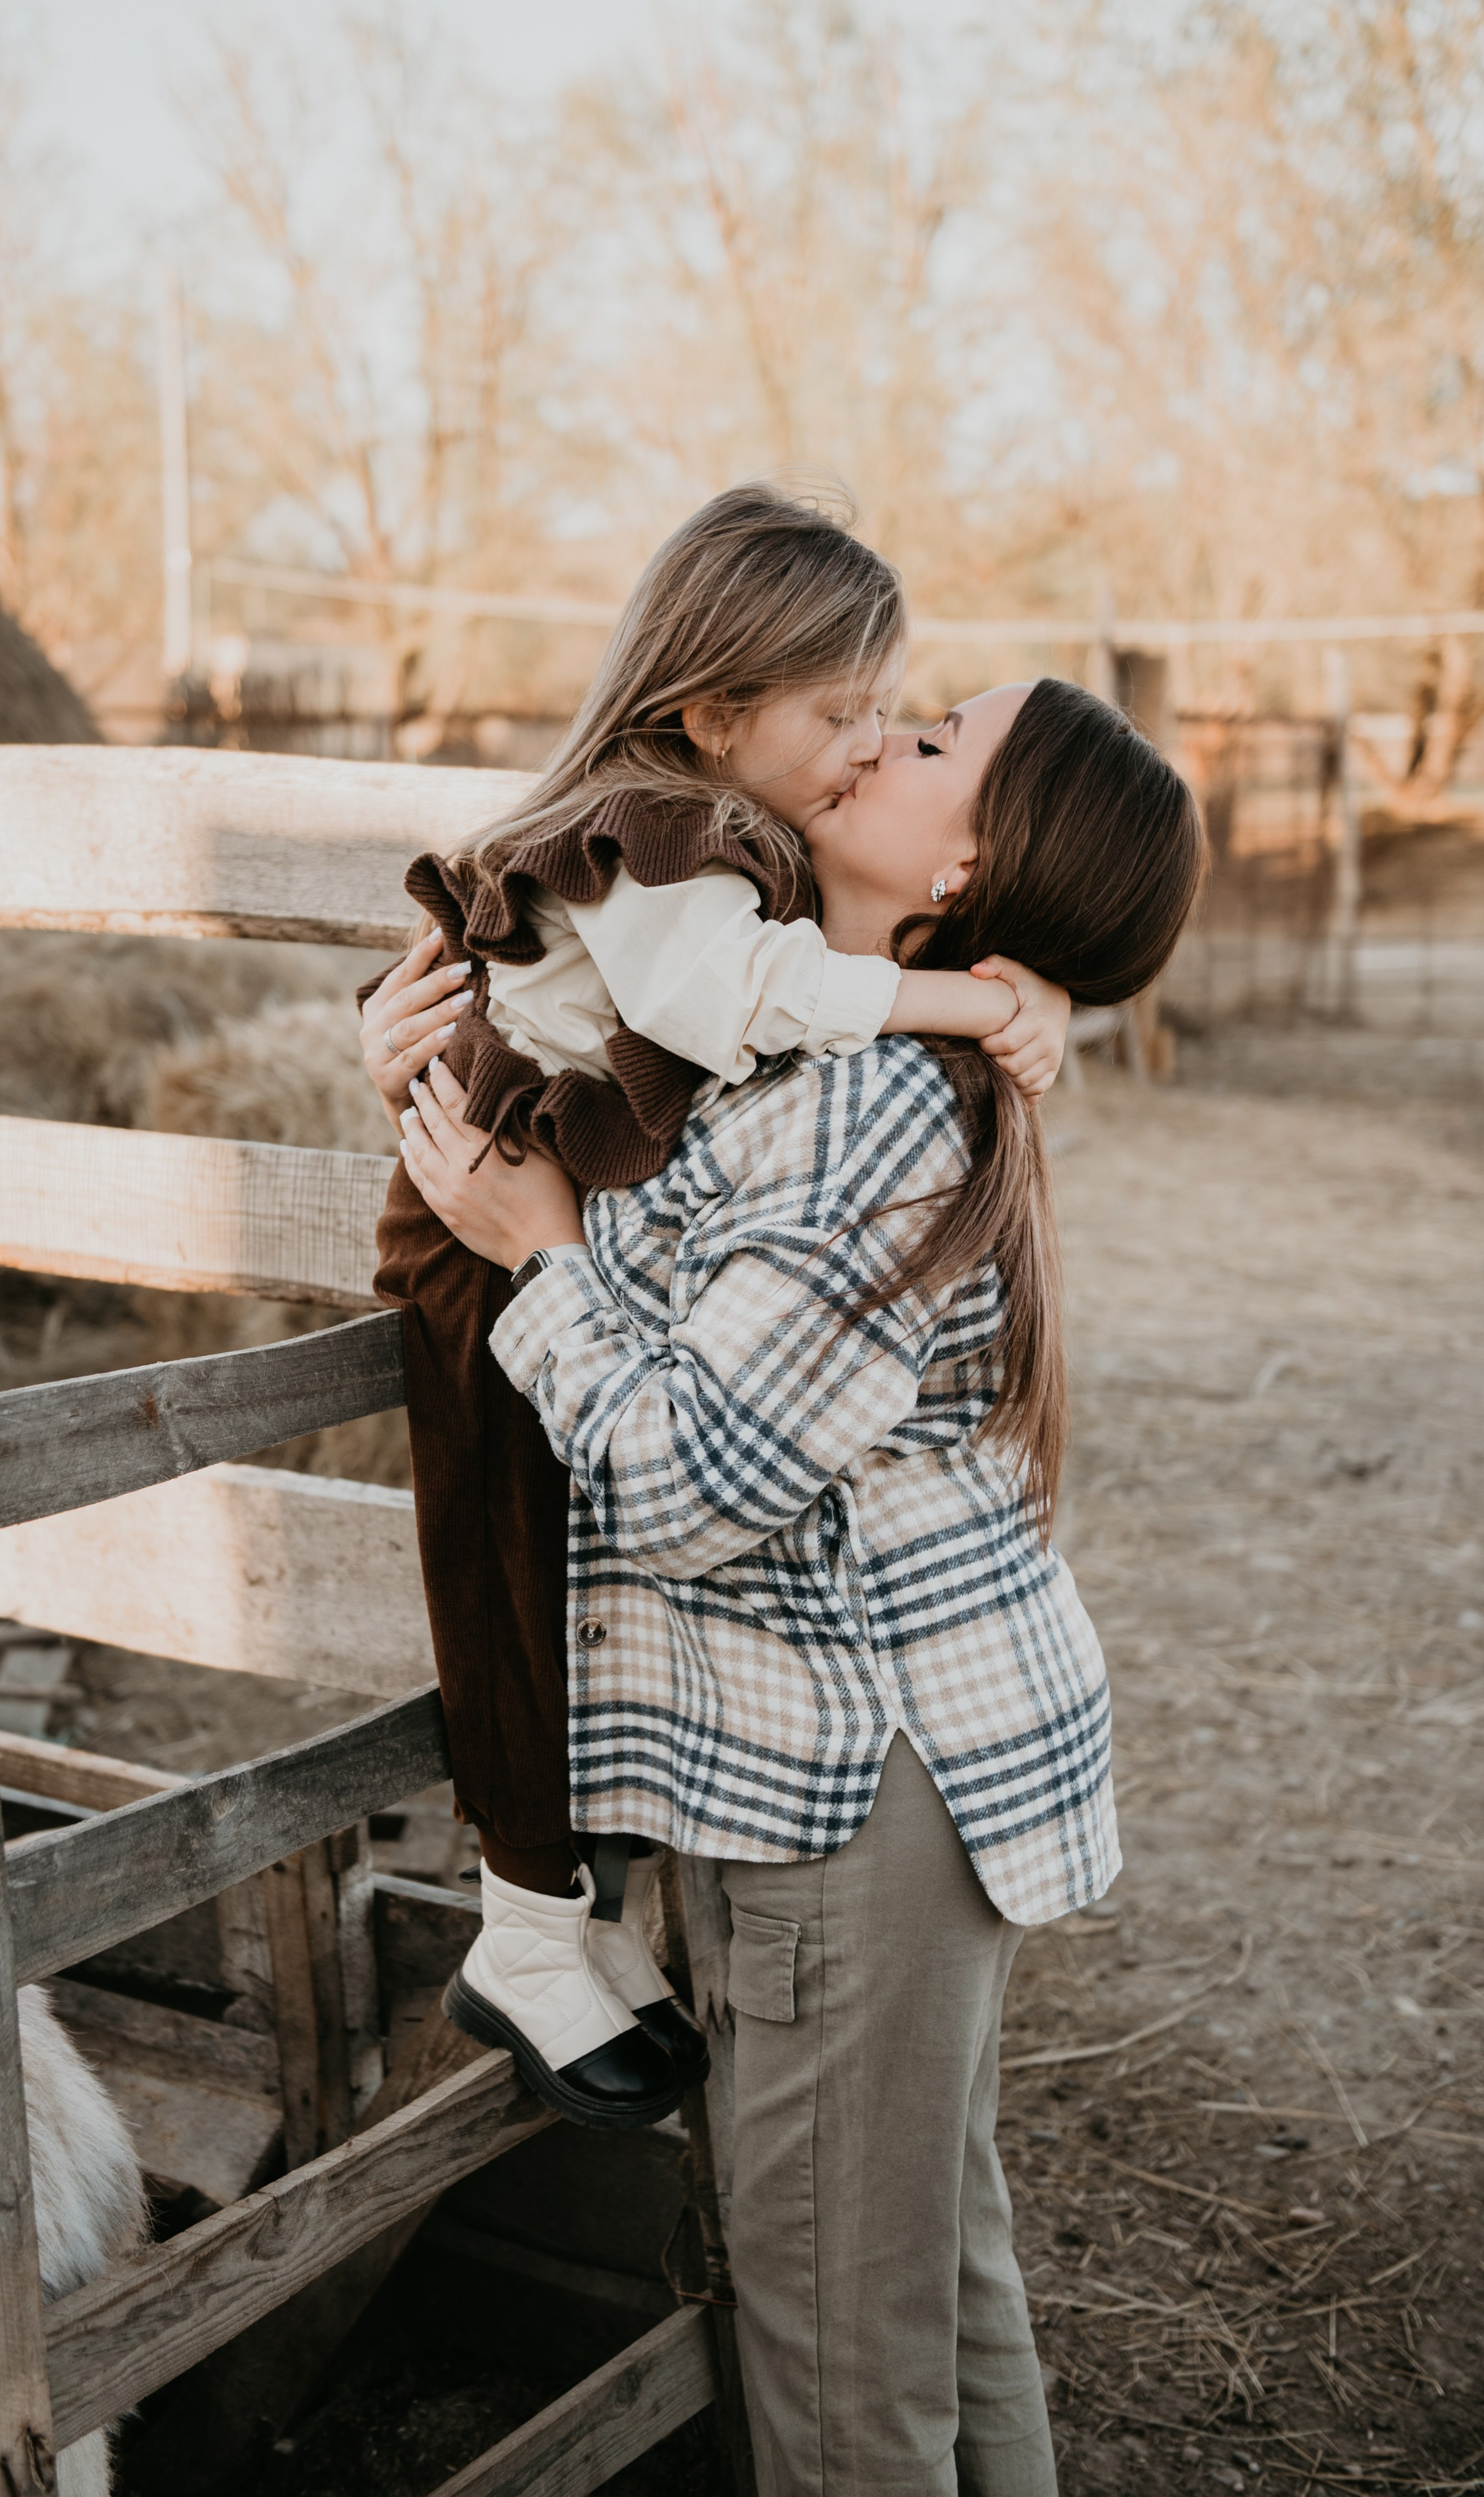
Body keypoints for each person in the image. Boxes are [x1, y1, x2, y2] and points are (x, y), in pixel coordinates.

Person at [395, 677, 1207, 2497]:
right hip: (883, 1774)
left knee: (841, 2374)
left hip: (855, 1800)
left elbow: (692, 1482)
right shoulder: (797, 1051)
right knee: (927, 2281)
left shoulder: (866, 1118)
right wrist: (431, 1062)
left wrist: (532, 1258)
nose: (882, 734)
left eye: (934, 744)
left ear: (969, 861)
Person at [357, 484, 1070, 2128]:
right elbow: (737, 1002)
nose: (866, 744)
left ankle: (556, 1915)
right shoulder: (664, 842)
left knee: (558, 1580)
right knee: (509, 1574)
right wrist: (959, 993)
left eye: (894, 718)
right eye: (845, 714)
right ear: (713, 711)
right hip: (486, 1224)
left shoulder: (707, 840)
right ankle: (531, 1918)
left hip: (536, 1205)